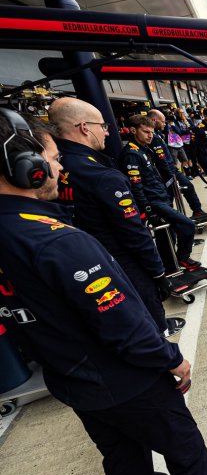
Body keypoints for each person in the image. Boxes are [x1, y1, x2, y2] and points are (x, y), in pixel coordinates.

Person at [0, 109, 207, 475]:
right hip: (122, 377)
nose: (60, 167)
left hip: (66, 375)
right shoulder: (55, 240)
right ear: (24, 166)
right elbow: (120, 322)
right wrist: (171, 359)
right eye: (52, 158)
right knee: (180, 440)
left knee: (120, 452)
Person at [48, 98, 175, 336]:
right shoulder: (101, 173)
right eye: (103, 126)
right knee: (151, 326)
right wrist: (158, 273)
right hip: (121, 263)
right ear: (85, 127)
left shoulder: (53, 166)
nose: (107, 132)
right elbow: (133, 232)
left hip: (76, 264)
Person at [120, 115, 202, 271]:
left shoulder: (145, 149)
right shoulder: (131, 154)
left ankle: (169, 265)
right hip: (153, 202)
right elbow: (135, 186)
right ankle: (183, 258)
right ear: (133, 130)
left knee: (167, 233)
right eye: (146, 132)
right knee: (187, 225)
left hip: (160, 196)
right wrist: (147, 208)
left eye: (151, 132)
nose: (150, 135)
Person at [148, 109, 206, 218]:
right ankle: (167, 219)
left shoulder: (158, 133)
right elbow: (159, 160)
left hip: (171, 169)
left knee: (188, 186)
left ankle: (197, 211)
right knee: (168, 198)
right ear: (154, 120)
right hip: (165, 173)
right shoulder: (152, 137)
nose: (165, 123)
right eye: (163, 121)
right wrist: (170, 175)